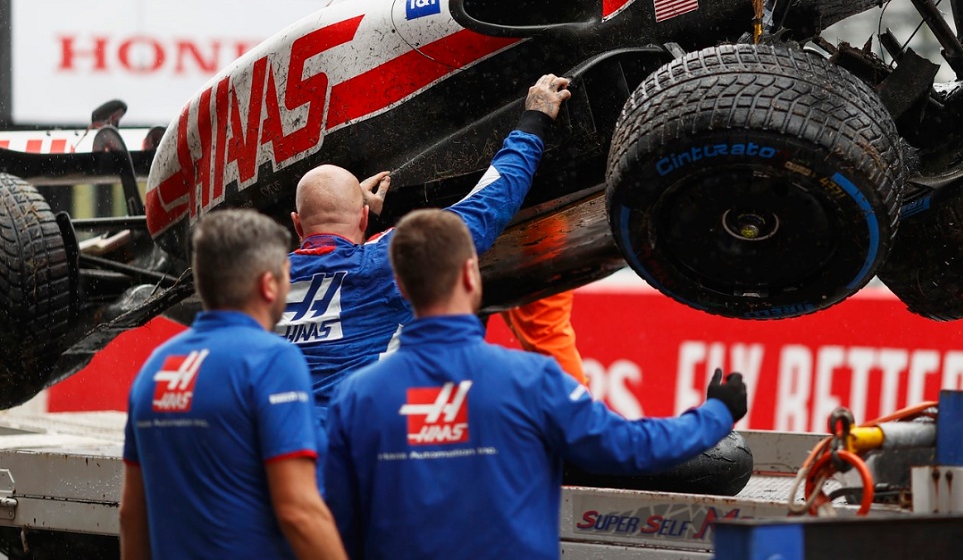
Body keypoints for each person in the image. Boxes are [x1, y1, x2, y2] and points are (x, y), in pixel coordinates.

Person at [324, 208, 747, 560]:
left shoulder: (356, 397)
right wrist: (716, 414)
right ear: (472, 275)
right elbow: (629, 448)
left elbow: (337, 521)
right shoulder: (532, 381)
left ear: (399, 285)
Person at [279, 73, 572, 422]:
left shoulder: (261, 280)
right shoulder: (387, 261)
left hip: (284, 454)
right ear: (363, 217)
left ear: (297, 224)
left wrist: (346, 212)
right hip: (361, 452)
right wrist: (533, 121)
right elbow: (486, 206)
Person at [119, 209, 346, 560]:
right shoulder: (272, 360)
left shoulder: (155, 368)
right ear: (268, 285)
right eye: (286, 277)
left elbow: (132, 517)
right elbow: (299, 512)